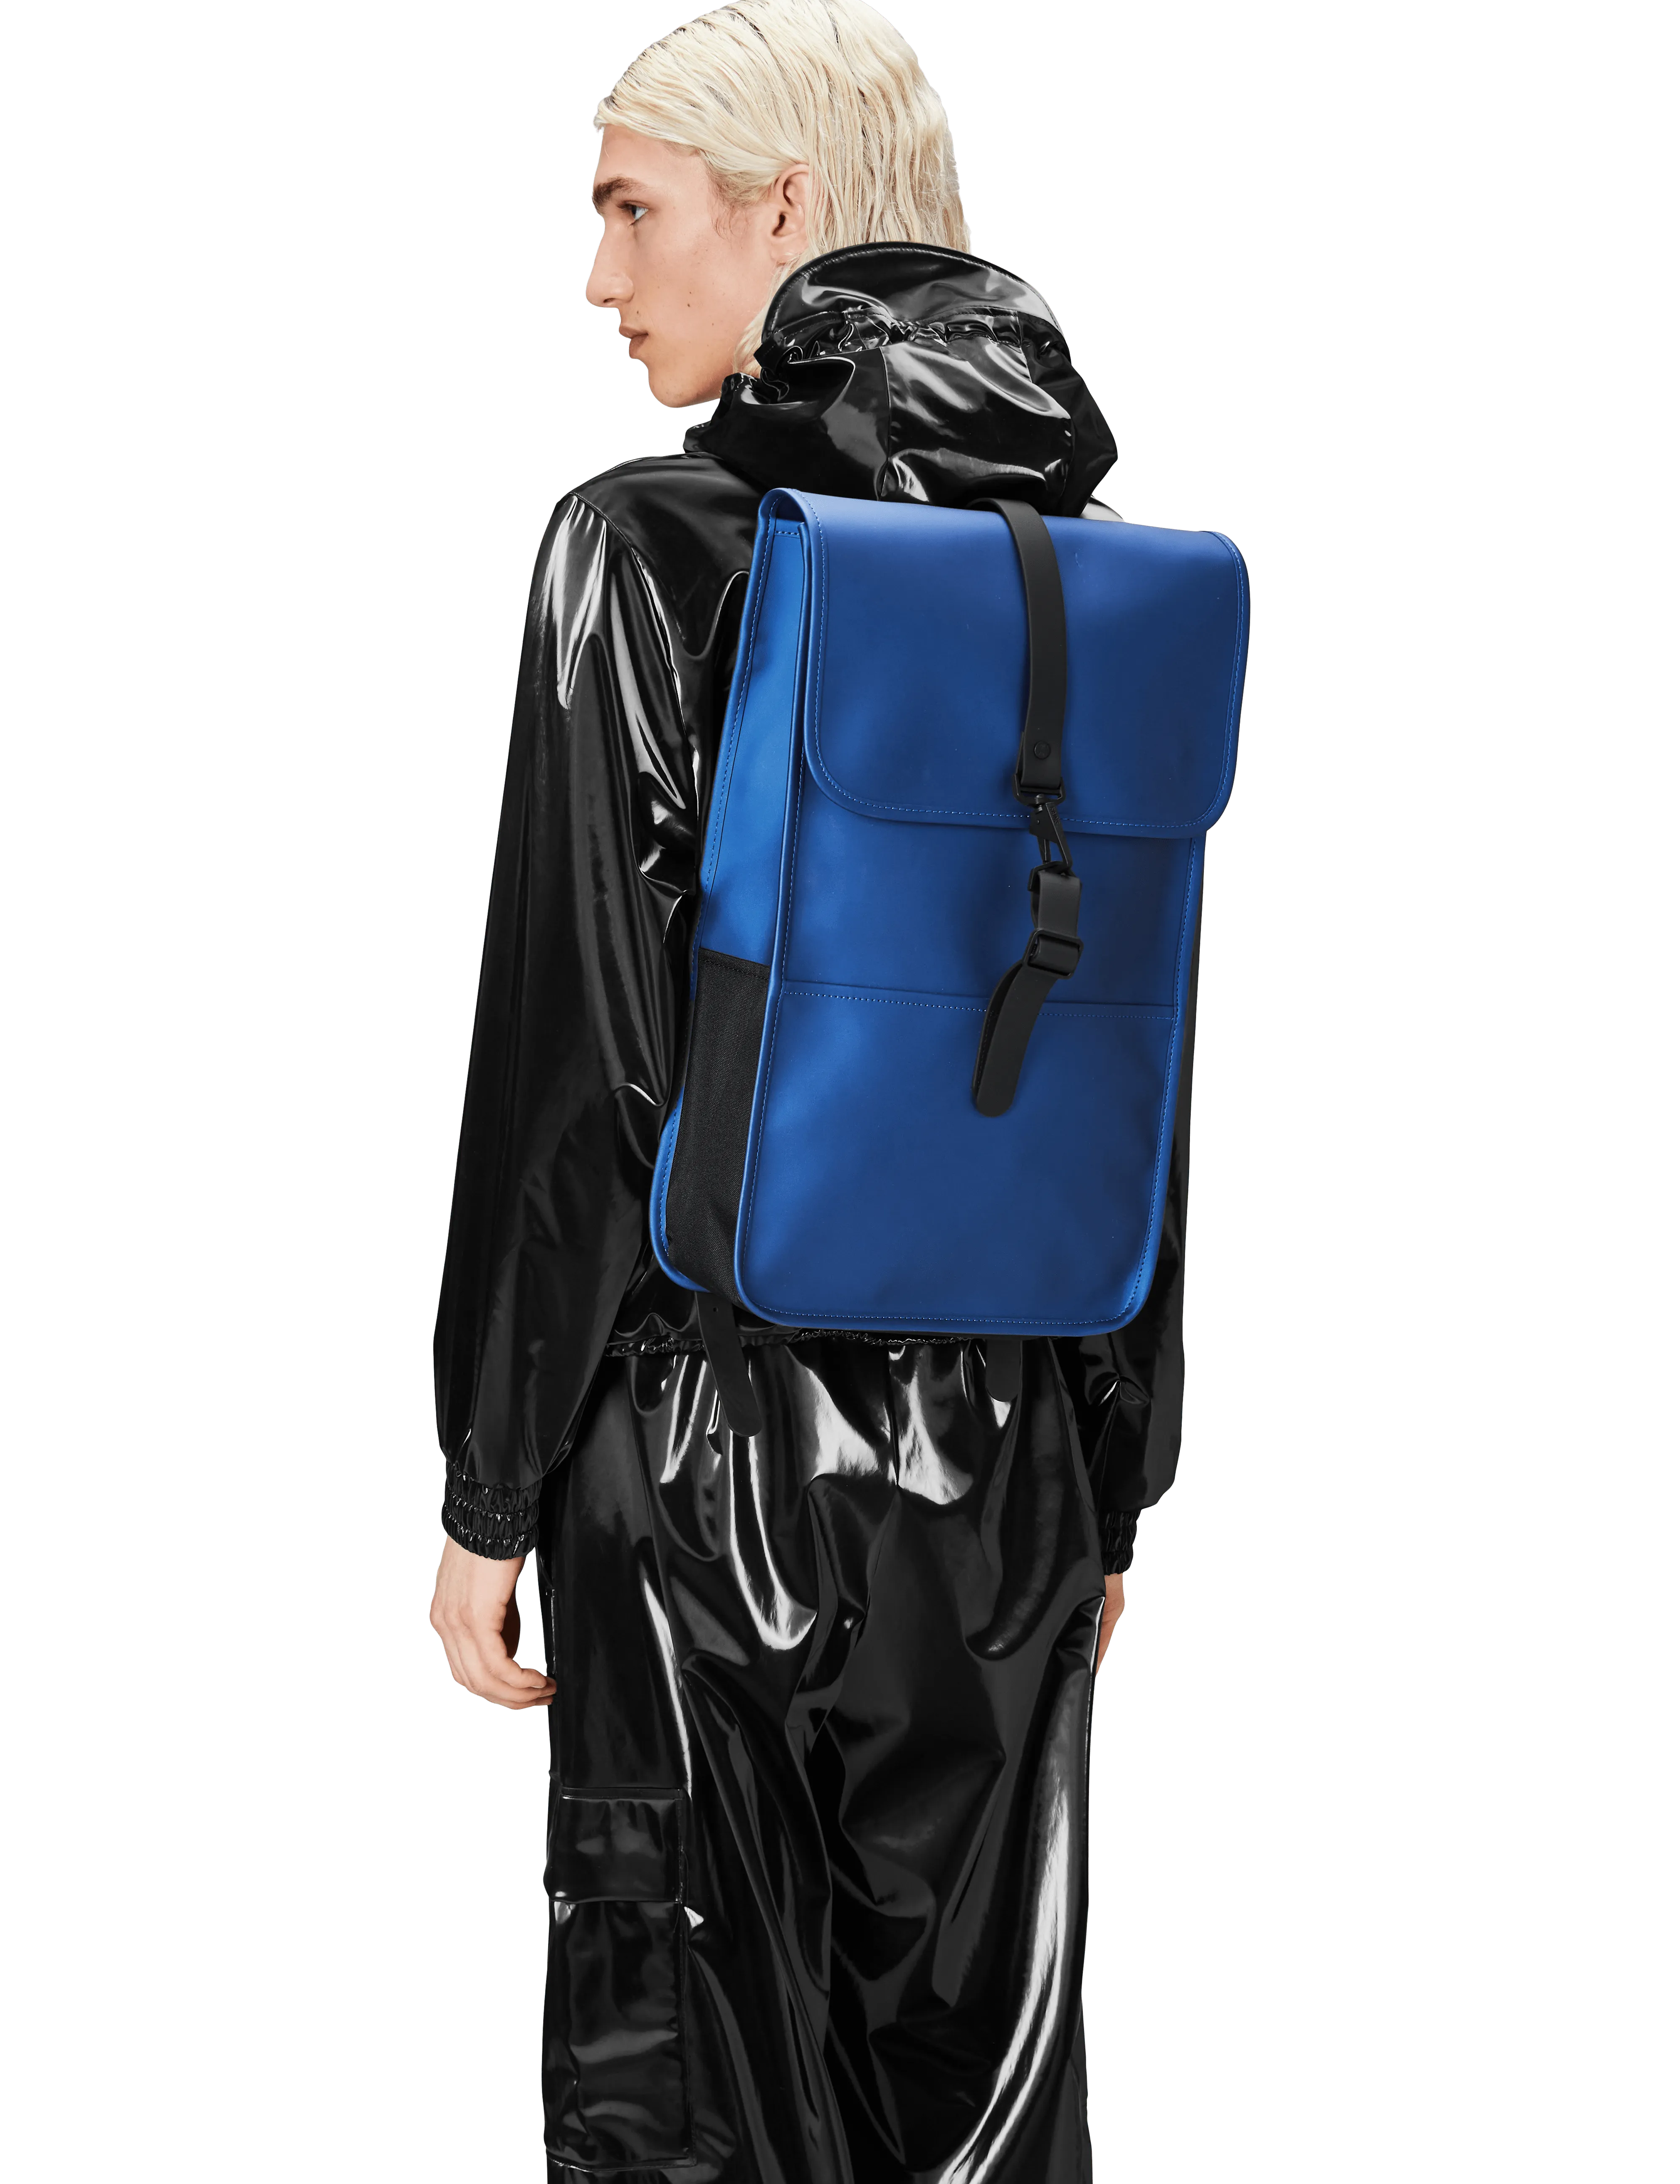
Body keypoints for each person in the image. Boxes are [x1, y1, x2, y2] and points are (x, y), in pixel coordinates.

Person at [427, 4, 1197, 2176]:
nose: (601, 276)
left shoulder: (642, 543)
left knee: (688, 2088)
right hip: (1016, 1445)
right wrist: (1116, 1468)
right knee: (983, 2104)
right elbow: (1135, 1043)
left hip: (705, 1428)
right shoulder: (1094, 567)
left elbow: (579, 1046)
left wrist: (490, 1480)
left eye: (634, 210)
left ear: (784, 210)